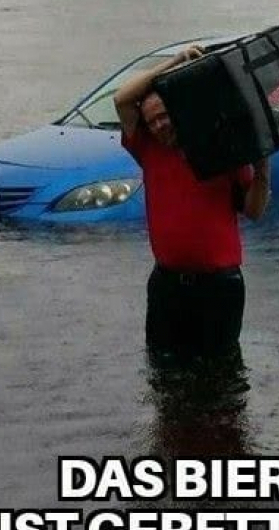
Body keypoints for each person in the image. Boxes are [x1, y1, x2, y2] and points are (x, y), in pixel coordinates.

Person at [114, 45, 271, 360]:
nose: (159, 126)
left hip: (219, 287)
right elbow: (121, 99)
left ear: (179, 111)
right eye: (152, 121)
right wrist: (174, 63)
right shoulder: (149, 149)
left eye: (164, 117)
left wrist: (262, 167)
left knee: (221, 377)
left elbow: (253, 212)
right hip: (167, 284)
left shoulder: (219, 150)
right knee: (162, 372)